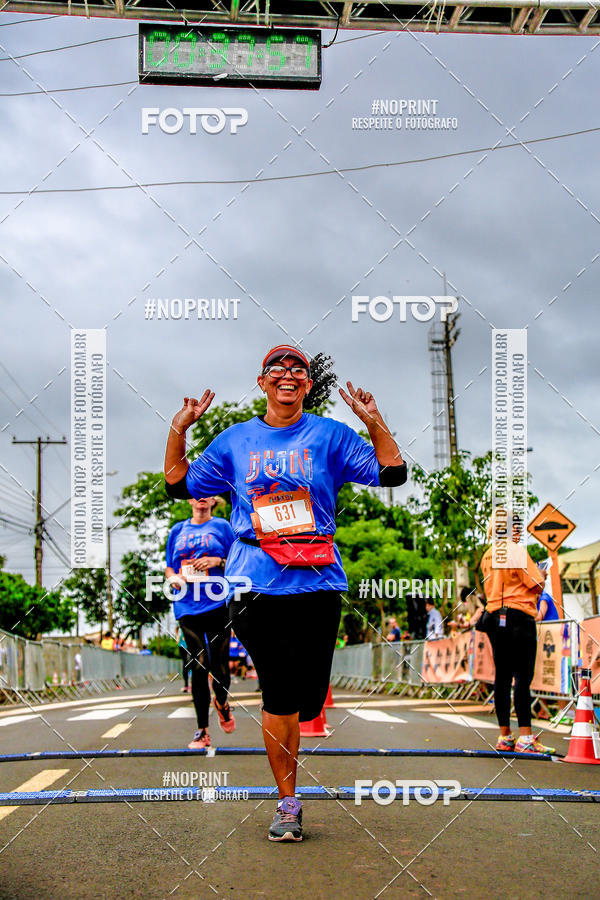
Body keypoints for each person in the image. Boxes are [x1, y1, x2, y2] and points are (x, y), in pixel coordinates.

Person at [164, 345, 407, 841]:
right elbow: (176, 482)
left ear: (307, 384)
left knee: (310, 697)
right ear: (263, 382)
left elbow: (393, 472)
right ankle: (287, 802)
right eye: (278, 369)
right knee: (278, 688)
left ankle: (303, 712)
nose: (288, 375)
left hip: (318, 579)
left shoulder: (331, 435)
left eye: (297, 369)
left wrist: (374, 420)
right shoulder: (235, 441)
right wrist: (179, 428)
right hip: (254, 581)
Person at [480, 509, 554, 754]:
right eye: (516, 526)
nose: (519, 530)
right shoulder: (515, 551)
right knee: (523, 676)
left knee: (501, 676)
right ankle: (526, 737)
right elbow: (535, 583)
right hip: (518, 616)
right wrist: (542, 573)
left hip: (493, 616)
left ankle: (505, 736)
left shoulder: (488, 555)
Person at [165, 497, 236, 749]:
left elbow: (238, 560)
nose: (201, 499)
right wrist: (173, 578)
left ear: (213, 501)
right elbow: (169, 567)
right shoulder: (177, 530)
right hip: (186, 605)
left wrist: (218, 562)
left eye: (206, 495)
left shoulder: (223, 528)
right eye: (197, 494)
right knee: (198, 663)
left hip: (217, 603)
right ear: (190, 500)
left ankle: (222, 702)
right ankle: (202, 731)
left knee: (219, 666)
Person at [176, 625, 192, 692]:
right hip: (188, 645)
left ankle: (186, 685)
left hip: (182, 645)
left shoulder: (181, 623)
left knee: (185, 664)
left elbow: (177, 640)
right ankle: (189, 685)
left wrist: (177, 636)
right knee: (190, 663)